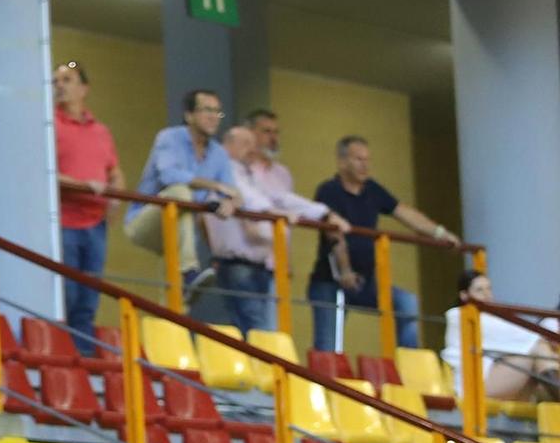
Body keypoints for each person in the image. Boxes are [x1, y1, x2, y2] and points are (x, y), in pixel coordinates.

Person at [309, 136, 453, 353]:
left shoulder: (372, 189)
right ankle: (325, 383)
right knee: (328, 345)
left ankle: (409, 366)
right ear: (342, 162)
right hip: (331, 281)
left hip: (366, 281)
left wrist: (440, 233)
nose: (365, 164)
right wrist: (345, 270)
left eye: (367, 159)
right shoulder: (329, 190)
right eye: (358, 159)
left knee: (406, 303)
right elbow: (335, 235)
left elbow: (403, 212)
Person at [208, 121, 333, 337]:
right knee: (259, 331)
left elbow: (279, 197)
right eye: (246, 143)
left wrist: (322, 212)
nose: (252, 148)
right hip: (238, 265)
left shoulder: (249, 174)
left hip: (259, 264)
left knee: (263, 331)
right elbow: (250, 200)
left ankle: (263, 370)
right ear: (228, 145)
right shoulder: (224, 170)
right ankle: (263, 371)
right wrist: (279, 214)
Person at [125, 88, 240, 287]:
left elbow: (234, 191)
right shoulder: (169, 138)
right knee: (181, 192)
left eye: (217, 112)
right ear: (189, 115)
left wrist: (231, 202)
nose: (214, 117)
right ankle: (189, 270)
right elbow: (170, 175)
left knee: (175, 294)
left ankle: (182, 298)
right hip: (143, 221)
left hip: (179, 228)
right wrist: (215, 185)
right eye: (207, 110)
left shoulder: (219, 153)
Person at [51, 61, 123, 355]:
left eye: (67, 79)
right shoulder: (49, 124)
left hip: (95, 224)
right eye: (56, 80)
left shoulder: (100, 131)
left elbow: (114, 170)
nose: (60, 86)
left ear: (84, 89)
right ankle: (66, 357)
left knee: (88, 299)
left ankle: (83, 359)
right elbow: (43, 171)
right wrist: (83, 184)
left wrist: (115, 194)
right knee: (67, 294)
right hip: (65, 220)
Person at [443, 269, 558, 401]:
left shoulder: (491, 317)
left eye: (488, 289)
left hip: (496, 375)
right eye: (479, 290)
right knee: (539, 350)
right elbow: (520, 334)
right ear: (464, 295)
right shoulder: (458, 315)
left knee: (544, 362)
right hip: (473, 384)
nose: (487, 295)